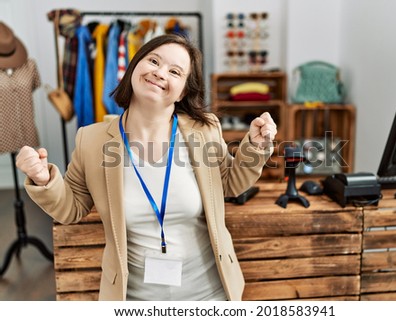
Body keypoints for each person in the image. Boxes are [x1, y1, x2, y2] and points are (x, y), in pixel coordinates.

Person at [15, 34, 277, 301]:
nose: (159, 72)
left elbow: (230, 183)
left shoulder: (204, 130)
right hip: (134, 301)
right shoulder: (91, 140)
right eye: (153, 60)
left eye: (175, 71)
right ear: (134, 67)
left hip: (210, 296)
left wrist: (255, 147)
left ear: (184, 90)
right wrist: (42, 178)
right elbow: (71, 208)